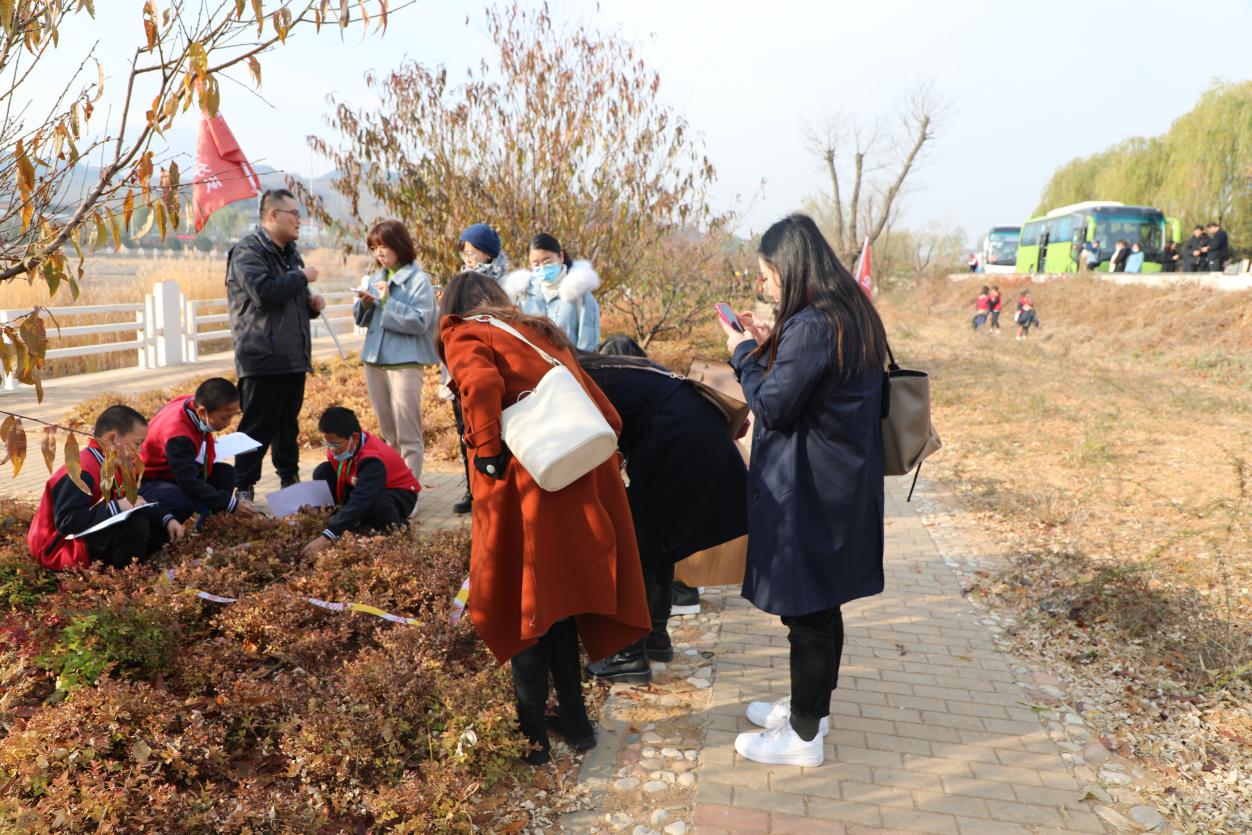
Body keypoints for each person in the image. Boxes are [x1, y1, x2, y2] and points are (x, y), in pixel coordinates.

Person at [438, 271, 650, 765]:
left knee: (523, 607)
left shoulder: (462, 330)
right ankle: (576, 723)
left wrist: (487, 453)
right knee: (558, 604)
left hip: (524, 488)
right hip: (573, 479)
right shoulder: (537, 330)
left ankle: (531, 737)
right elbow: (604, 410)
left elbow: (482, 380)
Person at [718, 214, 886, 767]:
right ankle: (810, 709)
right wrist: (769, 344)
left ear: (790, 268)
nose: (763, 287)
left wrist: (742, 352)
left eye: (766, 276)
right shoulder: (851, 312)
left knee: (808, 614)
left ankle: (804, 737)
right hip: (839, 483)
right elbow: (810, 384)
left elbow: (771, 406)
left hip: (810, 489)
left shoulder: (814, 324)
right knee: (821, 605)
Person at [577, 350, 749, 684]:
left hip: (679, 441)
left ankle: (629, 655)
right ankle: (655, 638)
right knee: (656, 543)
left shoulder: (576, 380)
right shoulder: (609, 367)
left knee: (639, 547)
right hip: (692, 433)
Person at [226, 188, 323, 503]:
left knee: (287, 426)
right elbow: (263, 292)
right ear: (272, 215)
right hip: (261, 356)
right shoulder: (247, 252)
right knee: (255, 426)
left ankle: (290, 482)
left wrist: (311, 305)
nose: (299, 220)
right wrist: (302, 278)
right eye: (293, 214)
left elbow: (288, 301)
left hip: (292, 356)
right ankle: (244, 488)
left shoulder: (291, 254)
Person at [28, 406, 185, 571]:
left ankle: (130, 568)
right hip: (58, 548)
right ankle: (126, 579)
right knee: (135, 524)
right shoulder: (83, 470)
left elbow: (135, 501)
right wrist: (116, 507)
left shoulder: (113, 464)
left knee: (158, 523)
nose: (139, 451)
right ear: (112, 439)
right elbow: (67, 522)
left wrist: (167, 518)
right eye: (137, 444)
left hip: (82, 536)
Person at [353, 220, 438, 485]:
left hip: (405, 362)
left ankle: (408, 491)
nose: (379, 252)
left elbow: (421, 321)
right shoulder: (377, 277)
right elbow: (361, 319)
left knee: (408, 433)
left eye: (384, 245)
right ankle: (394, 485)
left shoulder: (418, 280)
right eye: (374, 247)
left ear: (399, 245)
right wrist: (365, 305)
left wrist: (388, 302)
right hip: (374, 361)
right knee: (388, 432)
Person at [448, 223, 512, 515]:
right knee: (466, 431)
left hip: (497, 368)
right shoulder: (460, 281)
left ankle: (498, 487)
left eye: (471, 251)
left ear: (488, 253)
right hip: (464, 368)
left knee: (497, 430)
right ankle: (472, 488)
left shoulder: (507, 283)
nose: (467, 257)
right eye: (464, 252)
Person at [301, 407, 420, 558]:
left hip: (399, 495)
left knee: (375, 503)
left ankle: (394, 527)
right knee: (323, 472)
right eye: (327, 444)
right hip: (362, 485)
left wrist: (329, 535)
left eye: (335, 445)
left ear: (355, 438)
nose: (331, 450)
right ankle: (344, 518)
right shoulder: (343, 446)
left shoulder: (373, 460)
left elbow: (362, 498)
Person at [140, 378, 260, 522]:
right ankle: (167, 536)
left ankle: (209, 525)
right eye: (224, 418)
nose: (228, 424)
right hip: (146, 480)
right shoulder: (178, 435)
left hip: (171, 470)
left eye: (232, 417)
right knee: (182, 502)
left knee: (226, 474)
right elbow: (188, 481)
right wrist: (231, 505)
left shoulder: (191, 403)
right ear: (202, 412)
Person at [502, 233, 602, 351]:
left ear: (561, 257)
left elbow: (588, 344)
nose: (542, 268)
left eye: (547, 262)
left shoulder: (580, 295)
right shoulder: (523, 295)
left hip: (571, 366)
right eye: (536, 264)